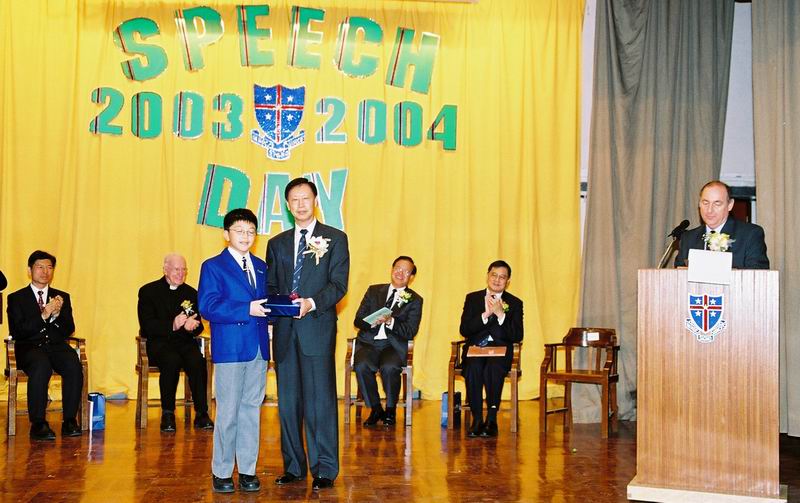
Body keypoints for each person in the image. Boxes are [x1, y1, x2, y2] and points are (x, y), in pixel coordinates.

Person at [266, 177, 349, 490]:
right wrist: (276, 308)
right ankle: (293, 467)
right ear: (288, 206)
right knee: (288, 404)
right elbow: (271, 285)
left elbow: (338, 285)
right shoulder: (277, 244)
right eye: (294, 200)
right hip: (285, 333)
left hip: (317, 330)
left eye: (305, 198)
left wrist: (311, 303)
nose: (300, 205)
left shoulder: (335, 238)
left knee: (320, 403)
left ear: (315, 201)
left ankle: (324, 468)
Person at [198, 208, 270, 494]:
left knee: (251, 410)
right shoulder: (213, 266)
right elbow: (208, 306)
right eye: (239, 231)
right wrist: (246, 308)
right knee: (227, 412)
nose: (245, 236)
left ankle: (248, 470)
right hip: (230, 349)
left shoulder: (261, 266)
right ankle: (222, 471)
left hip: (258, 348)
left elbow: (267, 304)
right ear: (226, 234)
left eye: (251, 231)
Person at [6, 250, 83, 440]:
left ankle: (70, 420)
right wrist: (44, 315)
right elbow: (18, 331)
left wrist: (55, 317)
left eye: (49, 267)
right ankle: (38, 423)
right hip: (29, 347)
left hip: (55, 345)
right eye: (40, 267)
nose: (45, 271)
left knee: (73, 363)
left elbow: (69, 328)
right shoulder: (16, 298)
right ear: (29, 270)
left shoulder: (61, 296)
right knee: (41, 365)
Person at [137, 253, 213, 432]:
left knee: (197, 361)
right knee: (171, 360)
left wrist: (192, 327)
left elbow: (199, 326)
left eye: (184, 270)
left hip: (184, 343)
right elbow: (147, 325)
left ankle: (202, 413)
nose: (181, 273)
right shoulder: (148, 291)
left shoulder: (191, 293)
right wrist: (172, 324)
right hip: (159, 344)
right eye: (176, 269)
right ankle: (168, 413)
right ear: (165, 269)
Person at [353, 256, 423, 427]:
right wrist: (372, 321)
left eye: (406, 271)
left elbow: (410, 331)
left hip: (393, 346)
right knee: (361, 365)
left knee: (389, 367)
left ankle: (390, 409)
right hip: (369, 343)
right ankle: (376, 408)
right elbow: (358, 320)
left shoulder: (415, 299)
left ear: (411, 277)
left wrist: (391, 321)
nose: (400, 273)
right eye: (398, 268)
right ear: (392, 269)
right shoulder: (374, 291)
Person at [459, 260, 523, 438]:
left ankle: (492, 419)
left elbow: (517, 335)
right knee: (474, 367)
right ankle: (477, 419)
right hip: (476, 349)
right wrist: (486, 315)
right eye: (494, 275)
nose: (497, 280)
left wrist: (501, 315)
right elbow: (464, 330)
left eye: (502, 277)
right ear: (487, 275)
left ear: (508, 281)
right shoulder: (472, 298)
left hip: (500, 351)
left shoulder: (515, 303)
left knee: (493, 367)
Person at [675, 180, 769, 269]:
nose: (709, 210)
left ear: (730, 205)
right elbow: (679, 275)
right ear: (699, 204)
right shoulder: (688, 238)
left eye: (717, 204)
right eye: (705, 203)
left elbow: (757, 275)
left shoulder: (750, 235)